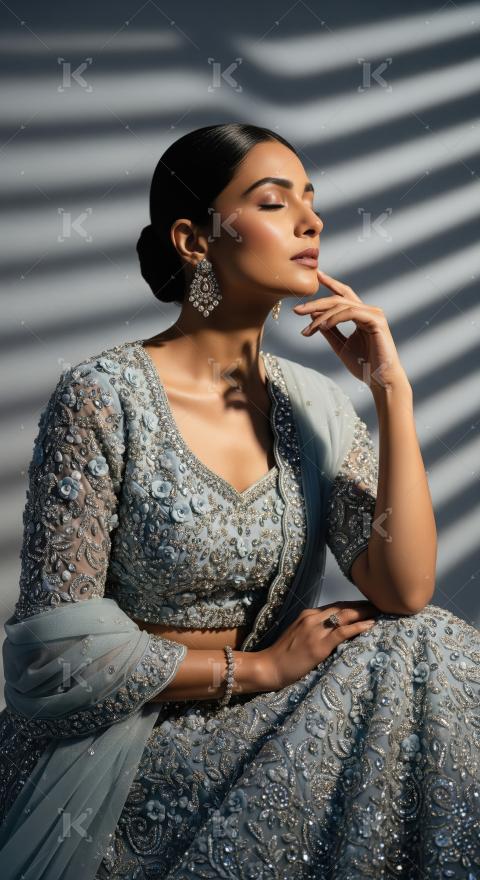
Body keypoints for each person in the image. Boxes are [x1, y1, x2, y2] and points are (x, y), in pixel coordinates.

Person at [0, 122, 479, 880]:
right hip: (131, 743)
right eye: (273, 200)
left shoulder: (313, 404)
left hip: (269, 724)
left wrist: (391, 392)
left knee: (427, 646)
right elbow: (51, 654)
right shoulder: (103, 396)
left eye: (311, 199)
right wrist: (256, 670)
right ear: (195, 240)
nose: (310, 220)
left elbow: (406, 587)